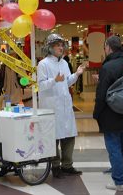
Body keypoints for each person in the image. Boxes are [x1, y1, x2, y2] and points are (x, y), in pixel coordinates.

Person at [93, 36, 123, 191]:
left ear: (108, 47)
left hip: (111, 115)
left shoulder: (107, 67)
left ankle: (119, 182)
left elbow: (101, 96)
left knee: (114, 148)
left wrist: (96, 113)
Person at [37, 33, 85, 178]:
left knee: (69, 136)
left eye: (62, 45)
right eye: (58, 45)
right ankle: (55, 166)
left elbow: (67, 81)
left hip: (65, 106)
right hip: (52, 107)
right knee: (54, 138)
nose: (61, 47)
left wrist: (76, 74)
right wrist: (54, 80)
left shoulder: (64, 63)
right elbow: (41, 86)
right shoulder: (43, 64)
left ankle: (67, 165)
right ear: (50, 47)